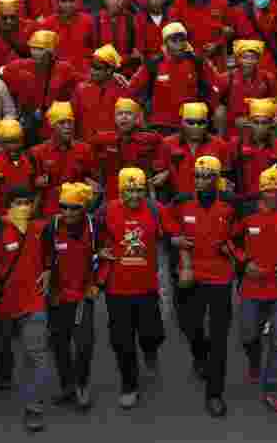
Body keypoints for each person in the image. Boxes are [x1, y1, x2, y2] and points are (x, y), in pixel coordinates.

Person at [96, 168, 177, 410]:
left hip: (147, 287)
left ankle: (150, 349)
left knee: (152, 334)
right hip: (116, 289)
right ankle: (129, 385)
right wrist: (98, 251)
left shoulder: (155, 209)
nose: (134, 195)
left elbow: (173, 232)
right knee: (122, 341)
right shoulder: (105, 211)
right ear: (120, 191)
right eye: (129, 191)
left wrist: (181, 248)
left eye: (139, 190)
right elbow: (90, 237)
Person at [0, 185, 55, 432]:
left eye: (27, 202)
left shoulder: (42, 229)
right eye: (18, 202)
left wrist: (48, 270)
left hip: (33, 303)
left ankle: (34, 408)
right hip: (3, 304)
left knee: (36, 355)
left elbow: (51, 256)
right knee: (1, 348)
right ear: (8, 206)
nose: (23, 207)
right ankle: (4, 372)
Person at [171, 156, 240, 417]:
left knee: (219, 337)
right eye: (198, 175)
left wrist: (230, 248)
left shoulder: (231, 204)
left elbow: (242, 232)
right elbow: (166, 224)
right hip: (191, 276)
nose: (201, 181)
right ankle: (200, 354)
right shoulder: (182, 202)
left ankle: (215, 393)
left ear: (218, 178)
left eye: (208, 176)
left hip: (220, 279)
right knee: (189, 325)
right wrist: (174, 238)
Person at [234, 165, 277, 413]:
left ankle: (273, 388)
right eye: (267, 190)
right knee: (248, 334)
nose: (272, 195)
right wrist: (244, 264)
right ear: (260, 191)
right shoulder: (247, 213)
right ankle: (253, 359)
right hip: (252, 287)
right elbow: (230, 242)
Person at [44, 183, 98, 412]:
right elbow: (43, 257)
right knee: (59, 344)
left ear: (83, 208)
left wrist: (97, 283)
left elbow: (104, 253)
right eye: (63, 207)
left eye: (74, 208)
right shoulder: (52, 227)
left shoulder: (94, 227)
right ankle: (67, 386)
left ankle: (82, 385)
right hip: (57, 296)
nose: (67, 213)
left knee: (84, 344)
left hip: (83, 295)